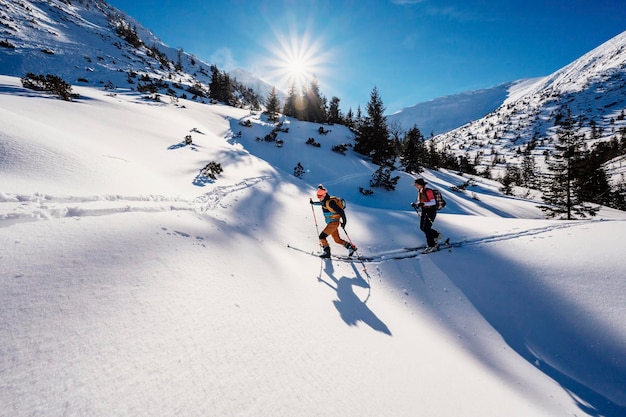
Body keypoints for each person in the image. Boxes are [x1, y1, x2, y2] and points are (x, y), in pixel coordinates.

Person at [310, 184, 357, 258]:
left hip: (333, 223)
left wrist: (344, 222)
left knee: (322, 237)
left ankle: (327, 253)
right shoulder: (324, 201)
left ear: (324, 195)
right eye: (317, 196)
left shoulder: (330, 203)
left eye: (319, 196)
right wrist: (313, 203)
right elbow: (321, 203)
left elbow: (341, 211)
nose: (318, 198)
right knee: (337, 240)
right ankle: (351, 248)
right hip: (331, 223)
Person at [411, 178, 441, 253]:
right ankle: (436, 235)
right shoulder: (421, 191)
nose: (415, 186)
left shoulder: (428, 191)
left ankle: (432, 245)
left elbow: (433, 202)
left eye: (416, 184)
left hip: (430, 211)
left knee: (426, 228)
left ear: (420, 184)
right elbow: (422, 201)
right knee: (422, 227)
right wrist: (417, 204)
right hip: (424, 211)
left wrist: (423, 204)